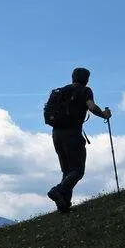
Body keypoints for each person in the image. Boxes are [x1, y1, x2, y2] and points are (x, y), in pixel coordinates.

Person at [47, 67, 111, 214]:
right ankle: (57, 190)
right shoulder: (85, 90)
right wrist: (104, 114)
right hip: (73, 133)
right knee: (77, 170)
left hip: (56, 133)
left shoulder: (61, 91)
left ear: (72, 77)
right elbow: (91, 107)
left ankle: (64, 205)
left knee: (67, 170)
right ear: (87, 79)